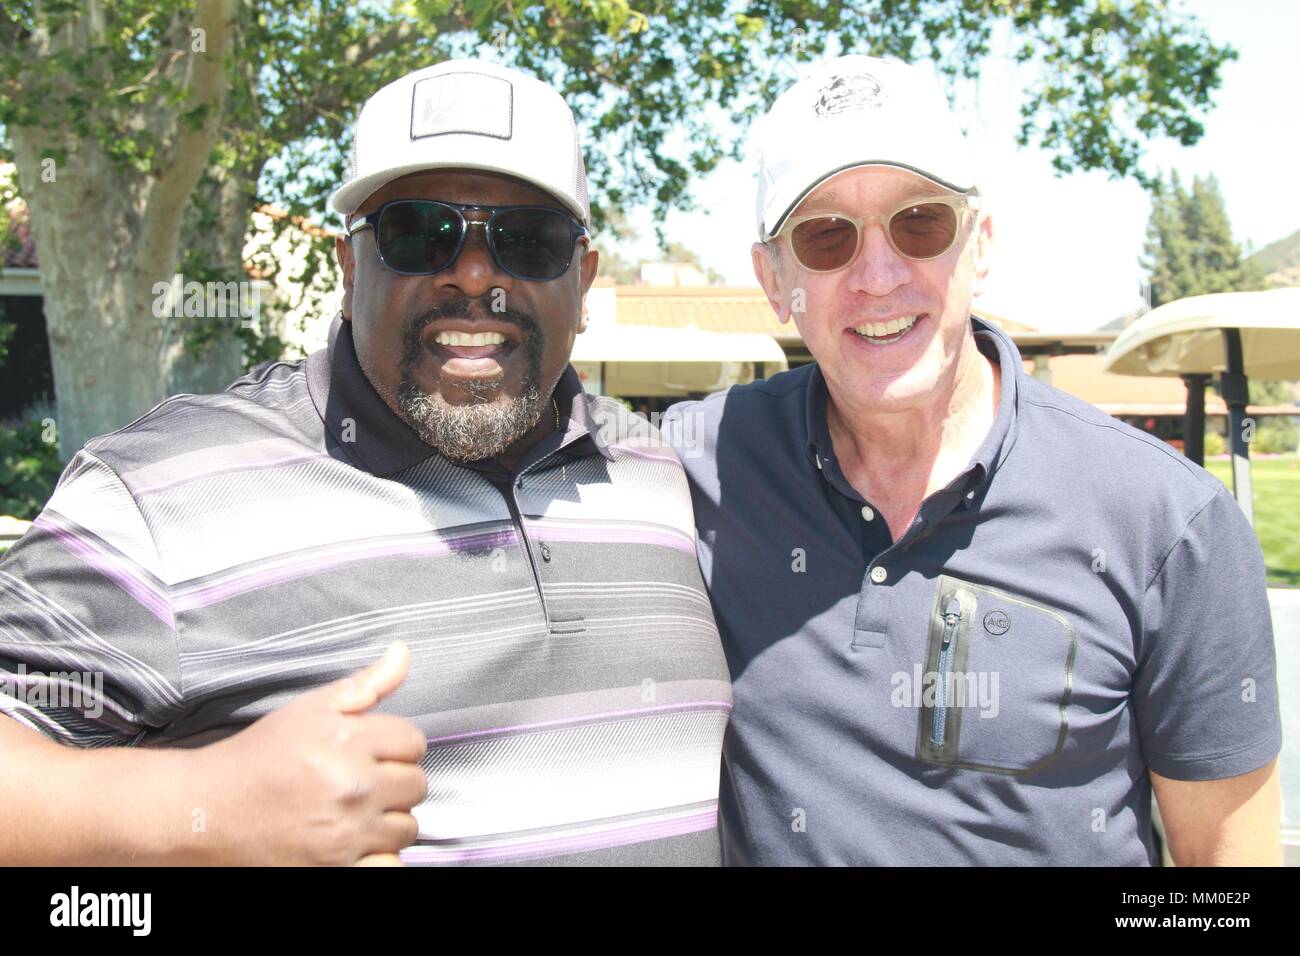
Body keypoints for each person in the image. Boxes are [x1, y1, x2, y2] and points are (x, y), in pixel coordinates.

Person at [0, 59, 730, 866]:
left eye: (529, 239)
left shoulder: (661, 473)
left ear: (583, 279)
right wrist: (199, 806)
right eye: (419, 233)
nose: (476, 274)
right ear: (350, 271)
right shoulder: (159, 494)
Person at [663, 55, 1282, 865]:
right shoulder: (689, 468)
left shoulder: (1171, 524)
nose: (878, 277)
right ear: (774, 281)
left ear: (980, 244)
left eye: (920, 222)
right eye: (825, 237)